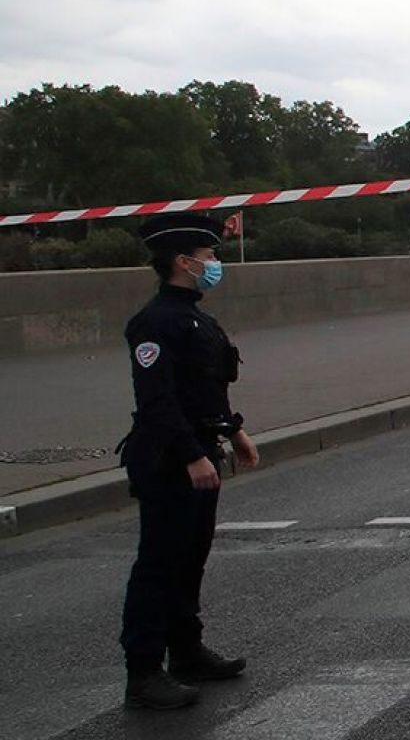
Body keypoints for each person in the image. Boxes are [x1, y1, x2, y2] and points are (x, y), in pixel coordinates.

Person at [117, 213, 259, 710]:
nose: (215, 264)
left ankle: (187, 652)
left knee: (190, 559)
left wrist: (233, 430)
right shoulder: (156, 322)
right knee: (159, 564)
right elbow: (157, 401)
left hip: (200, 450)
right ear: (183, 262)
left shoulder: (195, 316)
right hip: (168, 459)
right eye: (209, 257)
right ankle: (143, 672)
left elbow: (205, 388)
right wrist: (193, 455)